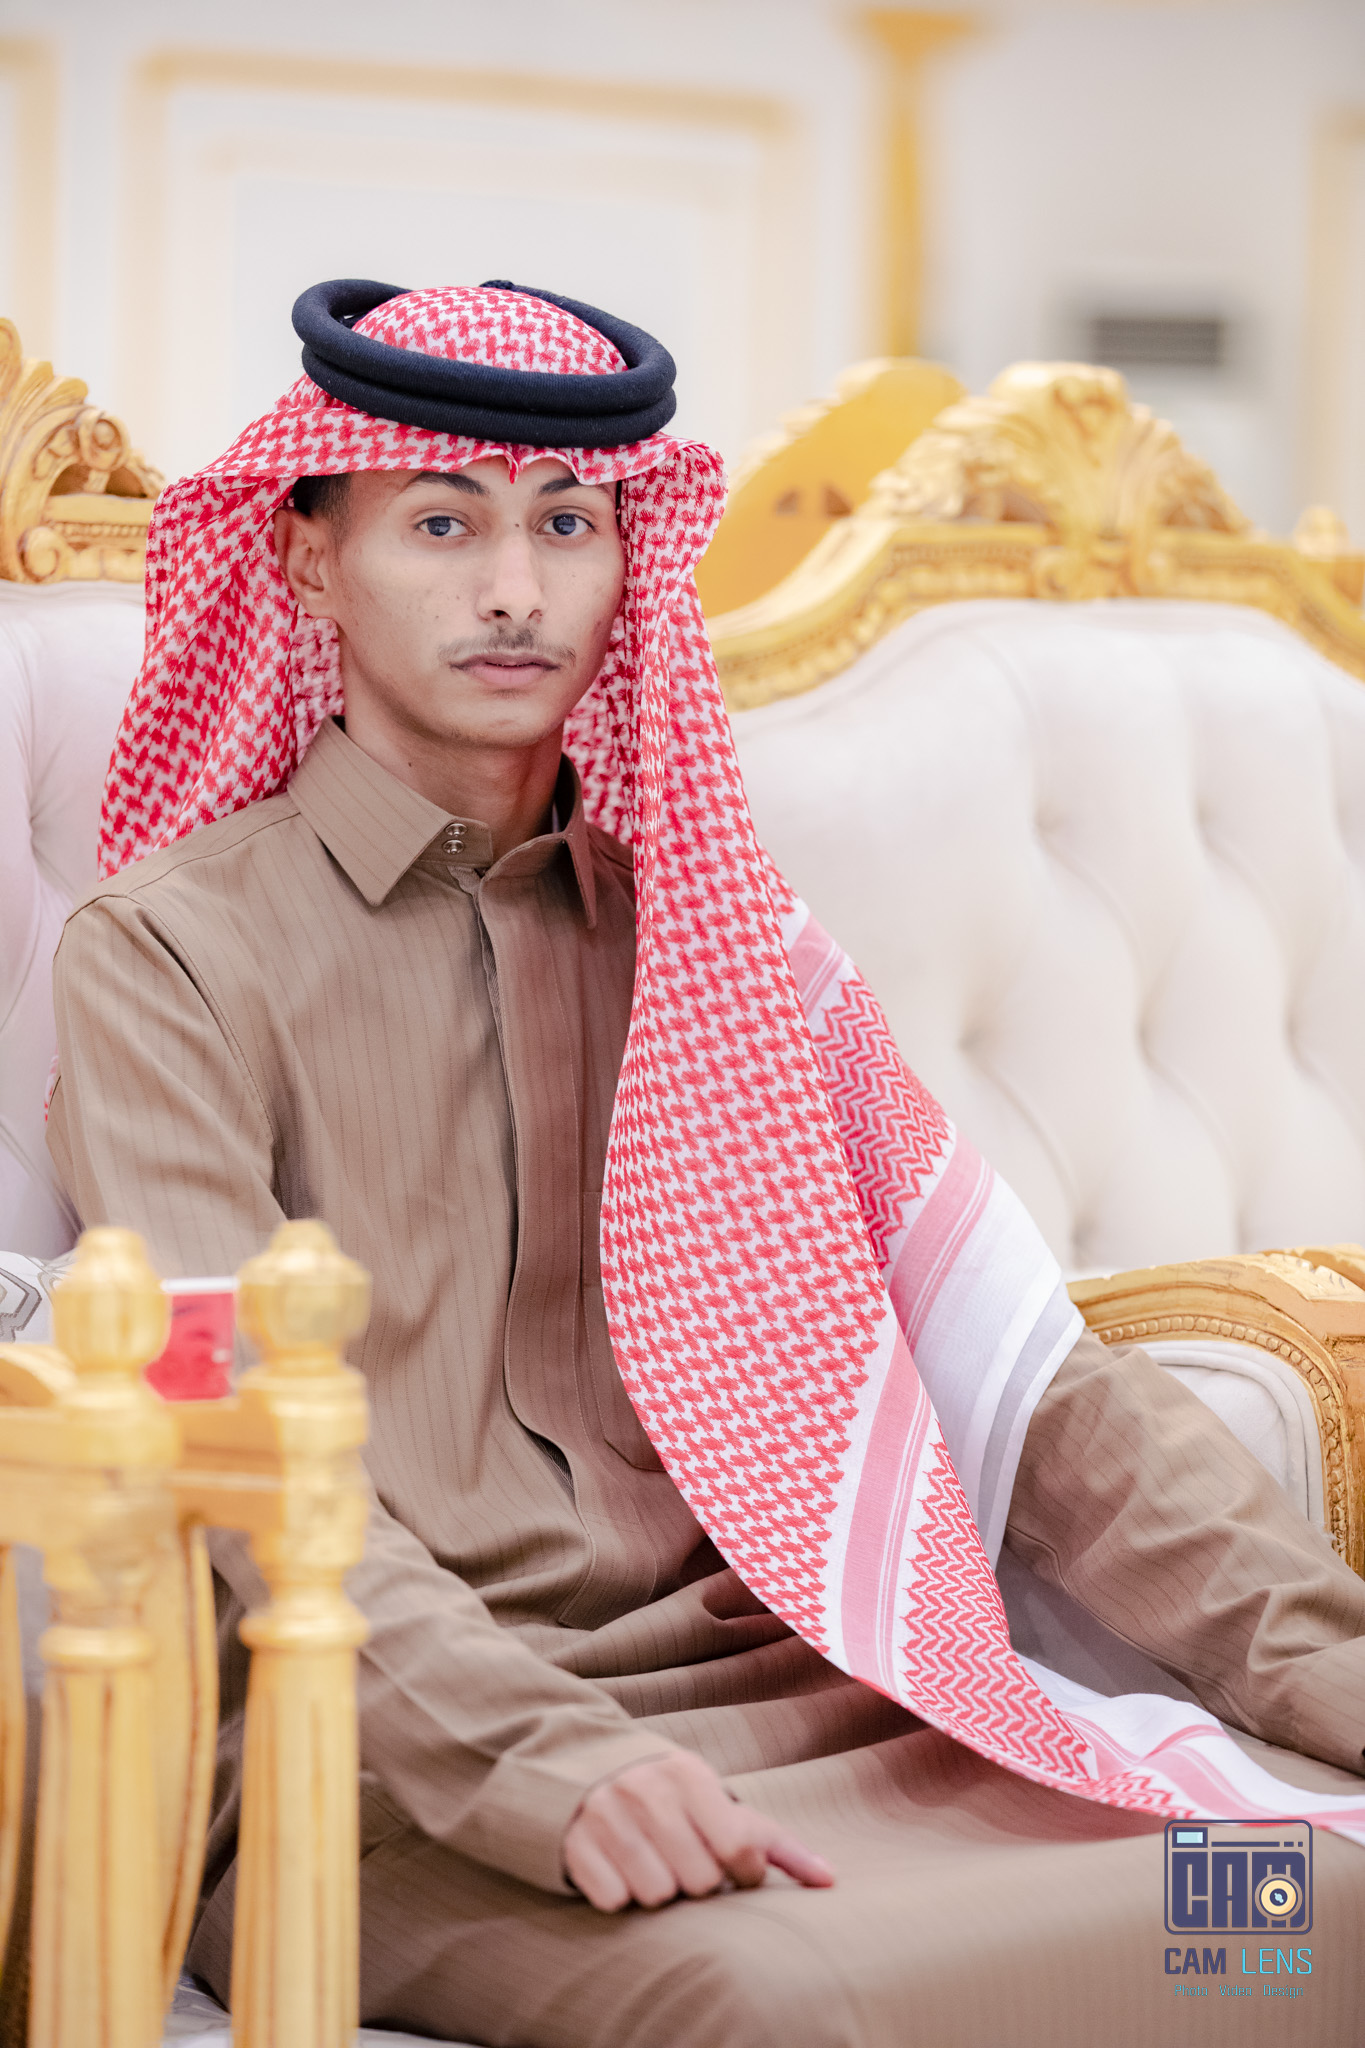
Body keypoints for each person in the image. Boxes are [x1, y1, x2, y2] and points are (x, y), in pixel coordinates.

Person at [47, 280, 1365, 2046]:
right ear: (306, 560)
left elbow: (1018, 1380)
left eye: (565, 525)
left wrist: (1321, 1662)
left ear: (627, 563)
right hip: (374, 1758)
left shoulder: (713, 938)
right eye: (440, 524)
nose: (513, 590)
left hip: (828, 1699)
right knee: (791, 2012)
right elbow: (227, 1441)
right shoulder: (168, 956)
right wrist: (545, 1764)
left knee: (1298, 1906)